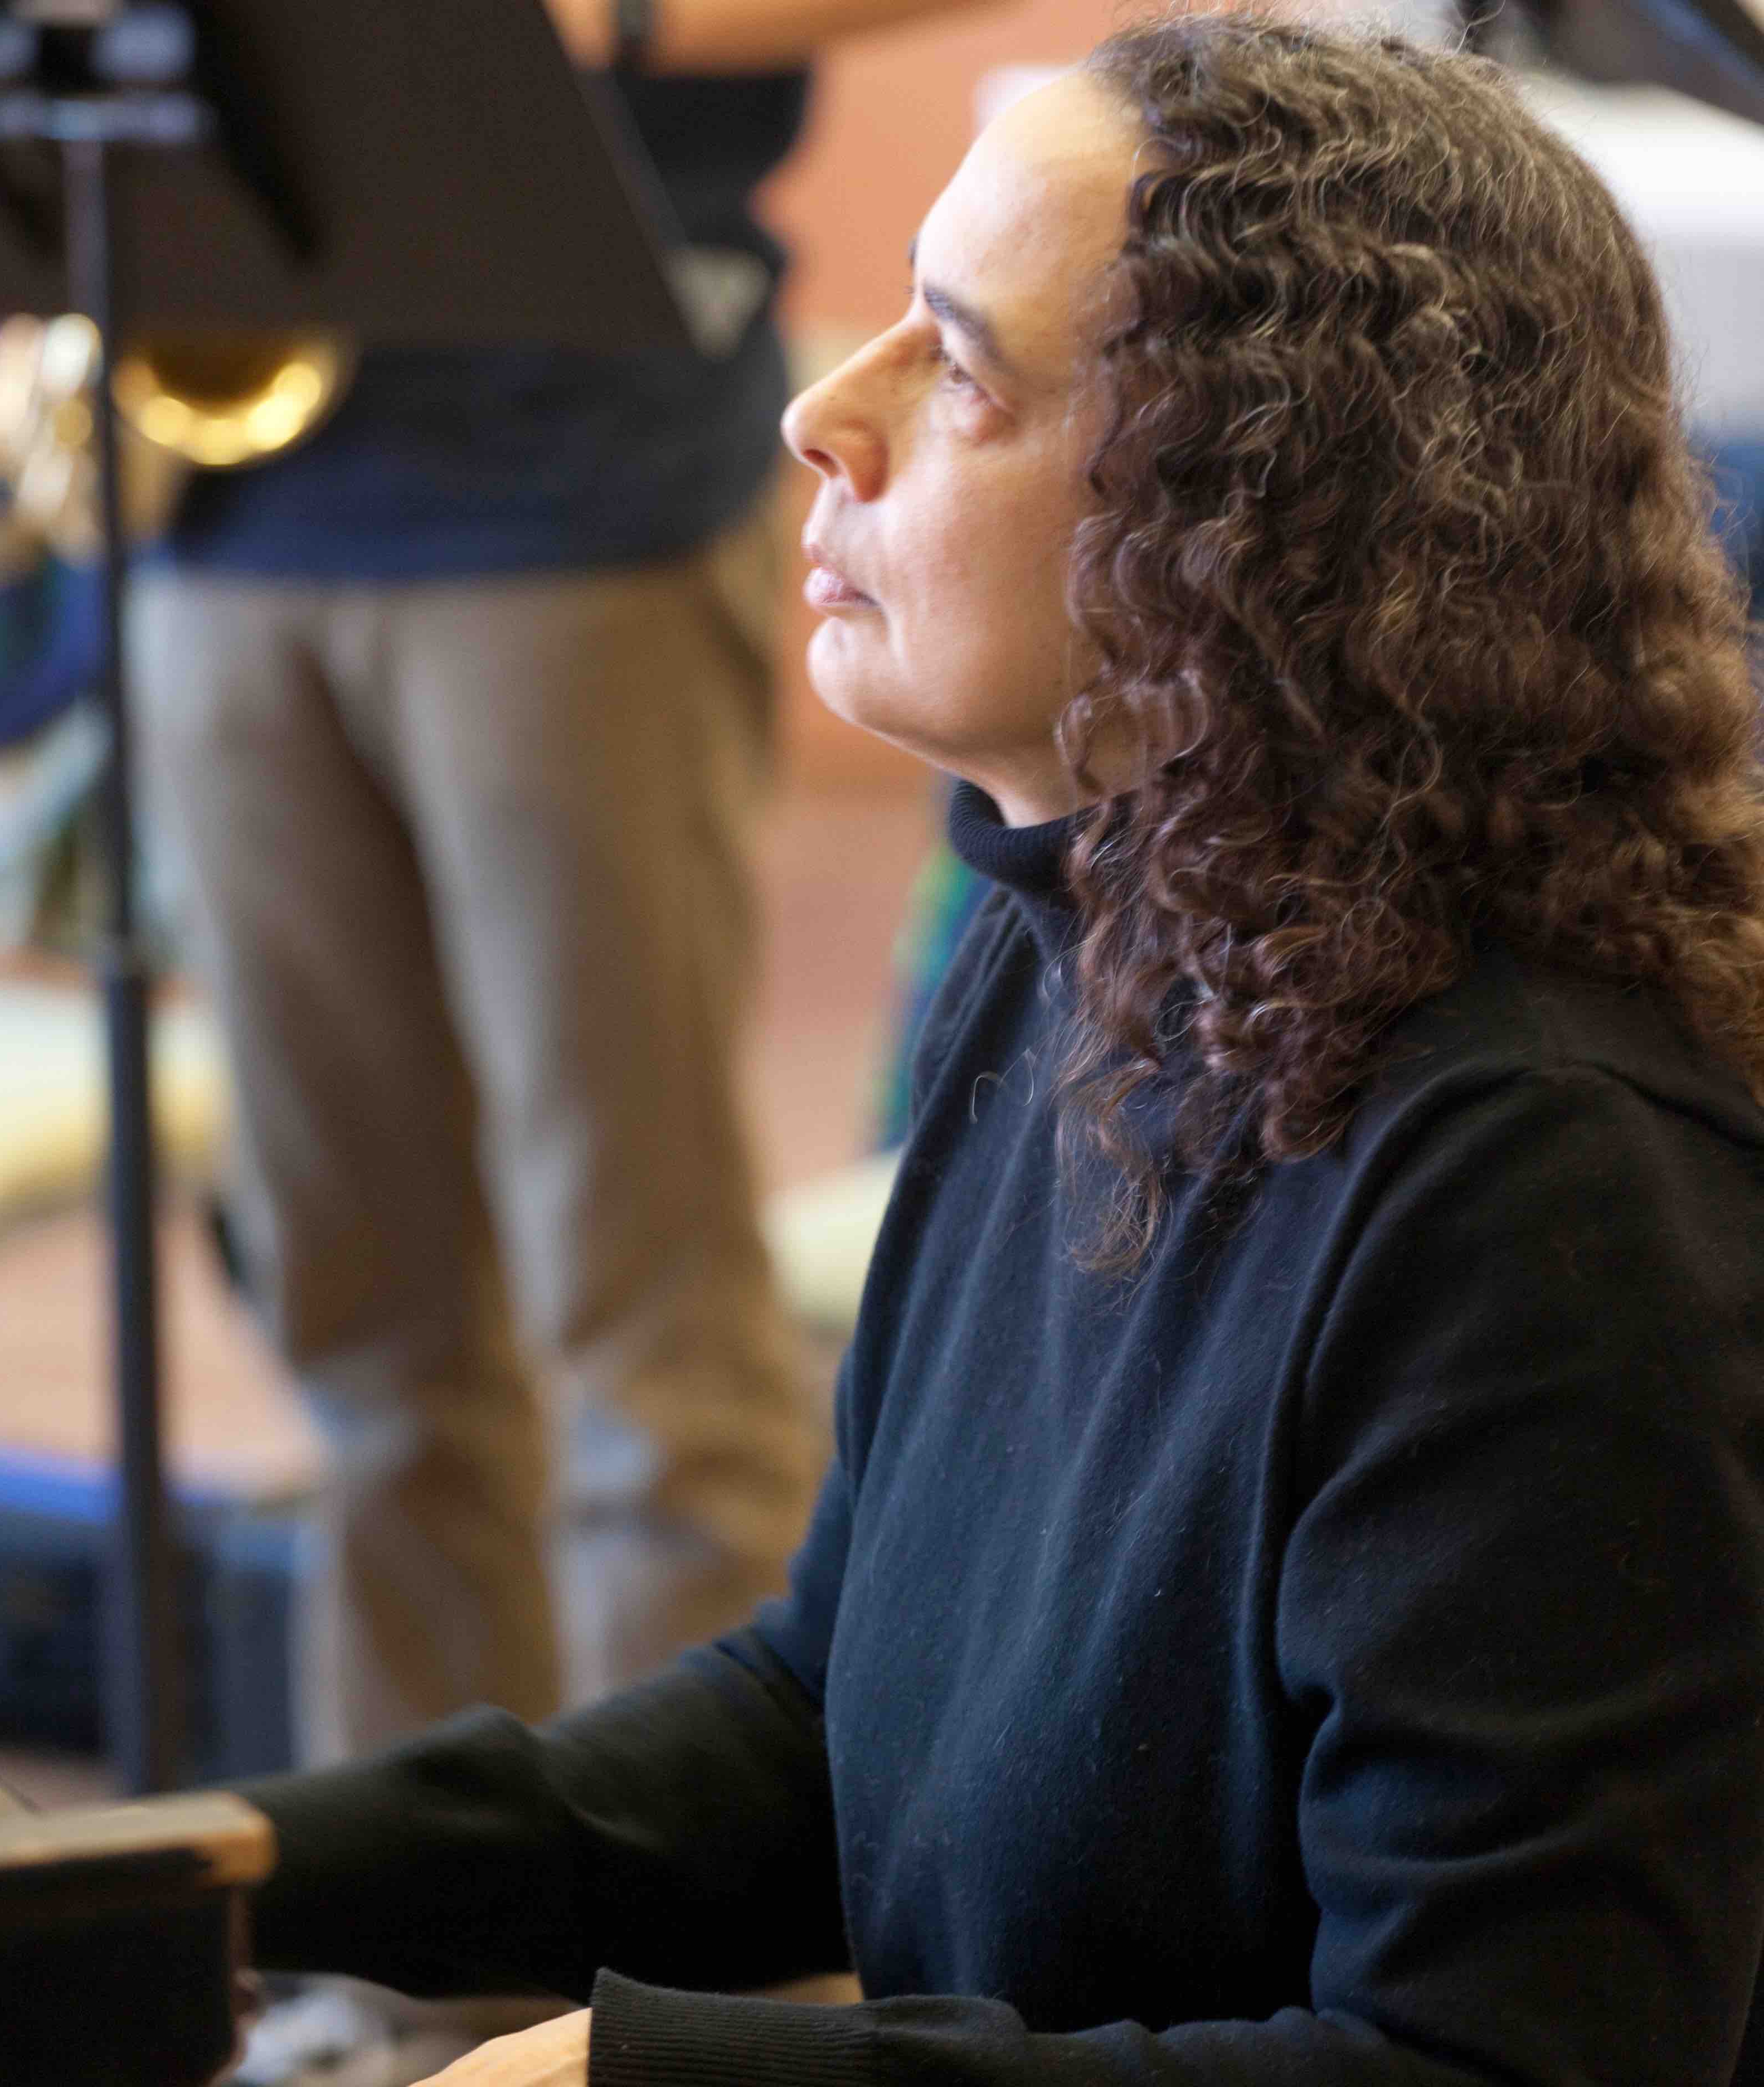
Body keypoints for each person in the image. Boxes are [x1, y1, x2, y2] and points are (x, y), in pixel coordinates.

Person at [216, 14, 1764, 2085]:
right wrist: (201, 1874)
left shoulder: (1544, 1179)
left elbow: (1494, 2062)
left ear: (1252, 524)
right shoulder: (1088, 935)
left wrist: (631, 2076)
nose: (819, 413)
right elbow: (827, 1710)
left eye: (957, 370)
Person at [134, 0, 1006, 1762]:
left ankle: (695, 1914)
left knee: (643, 1331)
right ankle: (413, 1916)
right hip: (233, 514)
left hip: (577, 497)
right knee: (359, 1332)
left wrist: (614, 21)